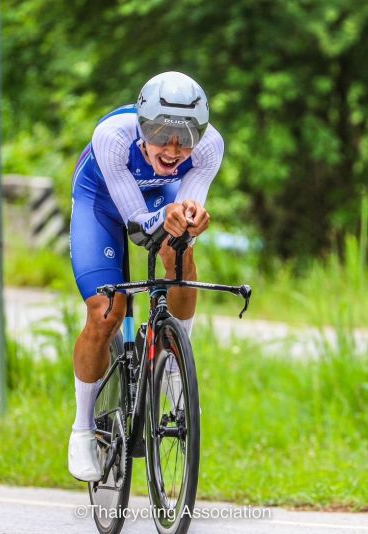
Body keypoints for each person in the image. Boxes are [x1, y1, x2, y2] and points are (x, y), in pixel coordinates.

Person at [67, 71, 224, 481]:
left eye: (186, 137)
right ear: (141, 124)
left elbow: (185, 208)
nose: (174, 149)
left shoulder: (210, 148)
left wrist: (190, 219)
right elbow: (137, 224)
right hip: (102, 203)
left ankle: (173, 362)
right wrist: (167, 216)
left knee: (181, 249)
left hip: (157, 200)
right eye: (161, 133)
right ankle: (82, 428)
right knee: (106, 311)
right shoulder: (112, 136)